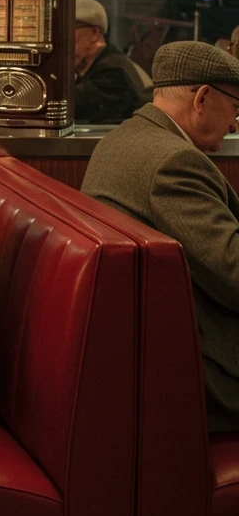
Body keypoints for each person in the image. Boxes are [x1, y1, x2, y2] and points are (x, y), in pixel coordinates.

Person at [82, 41, 239, 432]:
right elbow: (235, 277)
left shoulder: (119, 140)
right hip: (203, 370)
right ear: (203, 98)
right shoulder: (175, 163)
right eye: (236, 108)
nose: (235, 123)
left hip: (139, 350)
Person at [73, 0, 150, 124]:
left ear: (94, 33)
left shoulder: (114, 72)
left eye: (67, 29)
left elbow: (70, 104)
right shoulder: (98, 66)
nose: (59, 39)